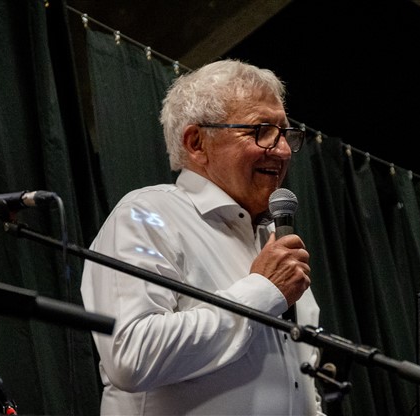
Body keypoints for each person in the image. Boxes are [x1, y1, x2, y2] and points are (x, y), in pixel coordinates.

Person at [80, 59, 325, 416]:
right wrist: (262, 291)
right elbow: (131, 356)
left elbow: (298, 380)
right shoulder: (147, 214)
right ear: (197, 143)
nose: (283, 150)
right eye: (262, 131)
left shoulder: (272, 239)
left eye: (285, 133)